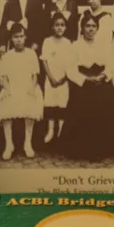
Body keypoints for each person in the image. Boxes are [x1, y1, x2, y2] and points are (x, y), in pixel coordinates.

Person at [65, 13, 114, 161]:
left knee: (106, 104)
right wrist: (86, 79)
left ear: (97, 28)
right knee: (83, 106)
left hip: (101, 82)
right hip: (83, 85)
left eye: (94, 26)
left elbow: (111, 64)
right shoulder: (75, 46)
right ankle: (83, 149)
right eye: (87, 26)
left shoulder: (104, 45)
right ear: (82, 28)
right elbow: (70, 70)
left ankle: (102, 149)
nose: (91, 29)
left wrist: (103, 76)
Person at [0, 22, 44, 160]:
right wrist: (7, 90)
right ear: (11, 39)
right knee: (5, 106)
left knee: (31, 104)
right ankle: (9, 144)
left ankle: (27, 143)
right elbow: (4, 77)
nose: (19, 40)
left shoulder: (31, 54)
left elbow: (35, 76)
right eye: (16, 37)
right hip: (12, 87)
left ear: (25, 37)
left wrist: (32, 89)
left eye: (21, 36)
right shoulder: (7, 56)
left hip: (28, 86)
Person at [40, 12, 73, 145]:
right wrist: (51, 78)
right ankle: (51, 130)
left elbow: (71, 63)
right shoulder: (47, 41)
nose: (59, 27)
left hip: (63, 79)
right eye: (57, 25)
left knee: (62, 103)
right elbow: (44, 60)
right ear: (52, 27)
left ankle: (60, 130)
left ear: (66, 27)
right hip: (51, 79)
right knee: (50, 103)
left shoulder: (68, 43)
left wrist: (64, 78)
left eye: (62, 25)